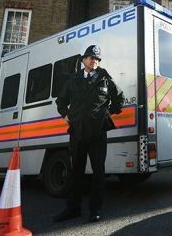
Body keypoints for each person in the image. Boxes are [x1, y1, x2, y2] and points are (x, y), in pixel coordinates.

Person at [53, 45, 124, 223]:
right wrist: (66, 115)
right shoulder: (73, 79)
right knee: (76, 171)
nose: (95, 61)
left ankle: (95, 209)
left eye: (97, 59)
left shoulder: (105, 79)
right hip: (77, 132)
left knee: (98, 172)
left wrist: (108, 112)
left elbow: (119, 99)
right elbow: (61, 101)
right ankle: (73, 208)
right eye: (91, 58)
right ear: (83, 60)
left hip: (97, 133)